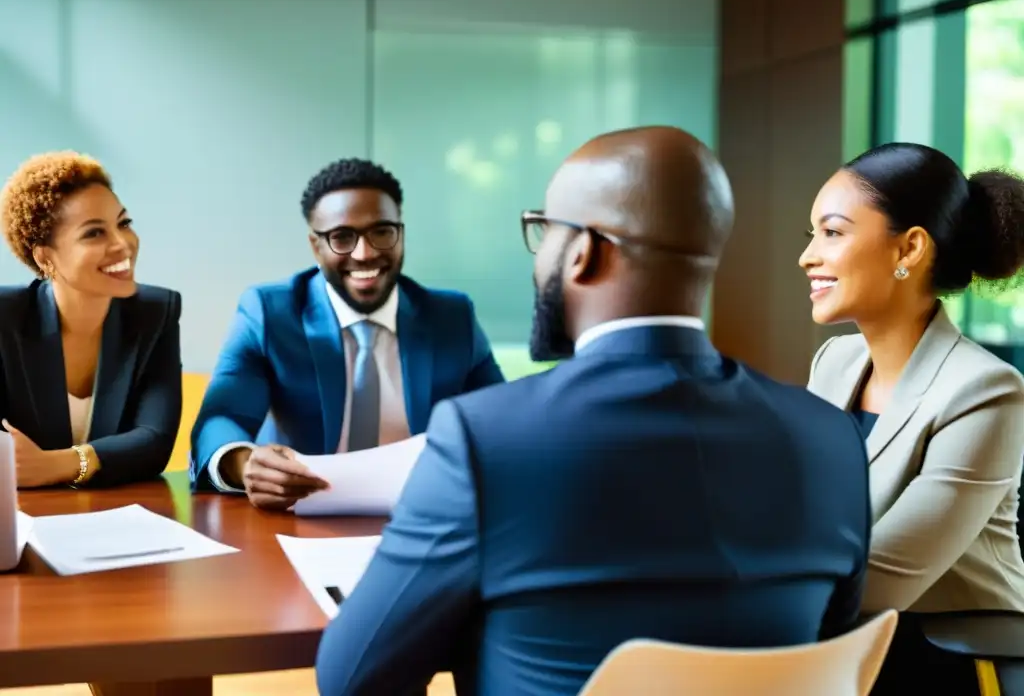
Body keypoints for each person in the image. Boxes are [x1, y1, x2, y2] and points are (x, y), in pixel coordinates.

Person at [315, 127, 871, 696]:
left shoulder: (485, 439)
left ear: (585, 252)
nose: (540, 256)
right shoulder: (831, 436)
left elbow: (352, 679)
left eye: (546, 232)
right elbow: (825, 642)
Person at [800, 142, 1024, 694]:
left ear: (910, 247)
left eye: (831, 233)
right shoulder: (834, 362)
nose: (807, 256)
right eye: (812, 235)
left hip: (952, 659)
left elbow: (882, 579)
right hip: (850, 645)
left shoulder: (985, 391)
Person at [190, 158, 505, 508]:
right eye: (341, 237)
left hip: (420, 510)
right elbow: (221, 419)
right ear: (316, 246)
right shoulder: (270, 312)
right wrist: (245, 464)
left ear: (400, 233)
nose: (364, 253)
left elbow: (502, 420)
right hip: (301, 513)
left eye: (382, 231)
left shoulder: (452, 316)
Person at [0, 152, 182, 488]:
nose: (122, 245)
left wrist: (59, 464)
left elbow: (155, 441)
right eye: (94, 233)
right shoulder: (5, 317)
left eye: (123, 223)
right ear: (46, 257)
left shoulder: (156, 312)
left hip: (116, 516)